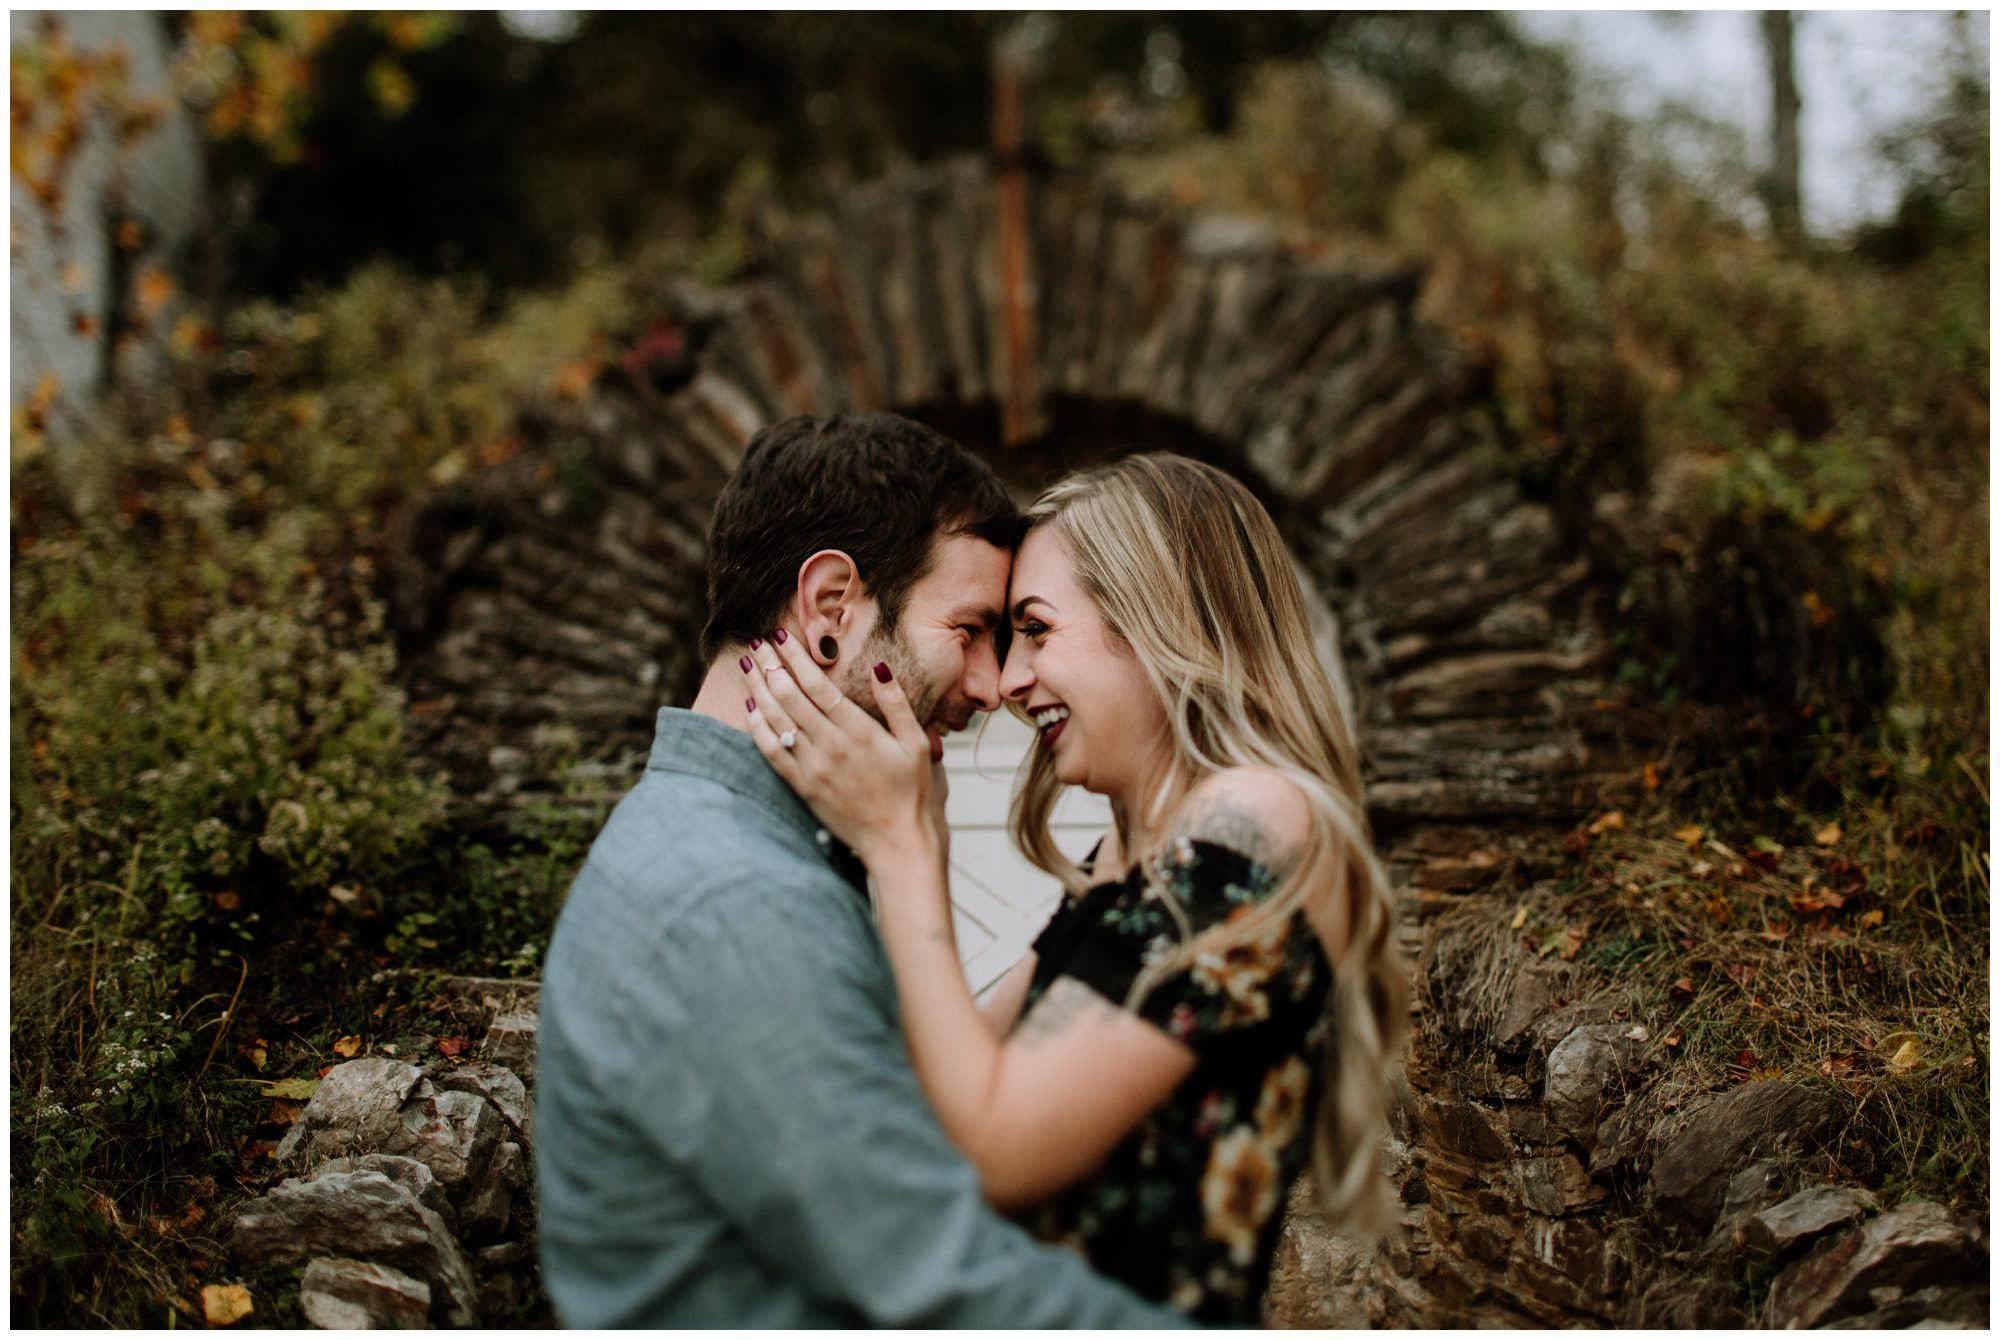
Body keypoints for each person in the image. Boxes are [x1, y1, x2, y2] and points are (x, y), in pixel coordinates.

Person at [533, 413, 1186, 1327]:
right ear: (831, 606)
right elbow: (941, 1284)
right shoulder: (739, 903)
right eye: (971, 629)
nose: (995, 684)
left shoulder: (738, 846)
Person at [743, 451, 1409, 1324]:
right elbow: (937, 1097)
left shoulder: (1258, 821)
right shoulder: (1125, 854)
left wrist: (904, 843)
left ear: (1161, 621)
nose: (1011, 682)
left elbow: (998, 1148)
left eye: (1037, 630)